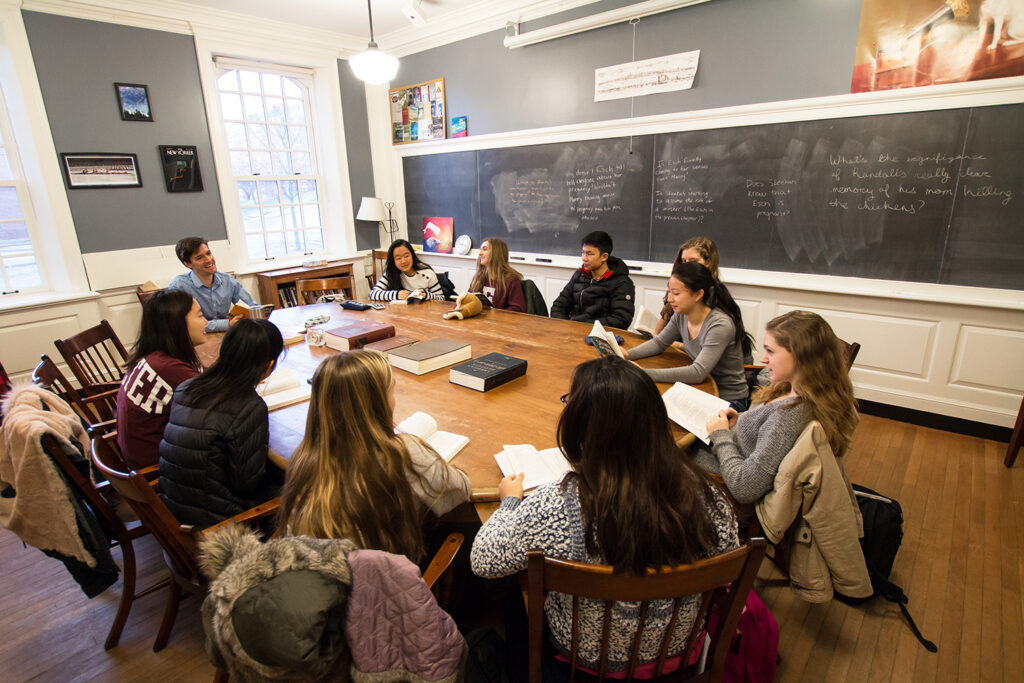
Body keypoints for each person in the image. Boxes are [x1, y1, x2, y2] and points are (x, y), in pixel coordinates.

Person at [471, 356, 739, 677]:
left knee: (517, 591)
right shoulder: (709, 496)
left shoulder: (557, 503)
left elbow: (484, 561)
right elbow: (726, 571)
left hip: (582, 661)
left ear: (582, 425)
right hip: (677, 654)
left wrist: (511, 503)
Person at [278, 350, 470, 562]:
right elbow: (460, 491)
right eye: (391, 391)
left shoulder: (304, 457)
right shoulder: (400, 453)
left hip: (312, 583)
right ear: (377, 402)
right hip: (382, 586)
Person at [693, 310, 859, 505]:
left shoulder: (788, 416)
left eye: (770, 351)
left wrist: (721, 435)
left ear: (801, 356)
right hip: (729, 451)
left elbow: (744, 487)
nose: (763, 360)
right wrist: (742, 421)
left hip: (720, 483)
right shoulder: (799, 389)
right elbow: (764, 433)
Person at [158, 318, 283, 528]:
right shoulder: (249, 406)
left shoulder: (187, 388)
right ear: (268, 365)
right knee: (300, 486)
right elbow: (247, 483)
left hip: (174, 513)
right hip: (217, 529)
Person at [626, 261, 752, 412]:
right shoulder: (681, 315)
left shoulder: (719, 325)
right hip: (700, 390)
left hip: (728, 400)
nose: (669, 299)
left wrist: (643, 374)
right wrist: (627, 355)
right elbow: (659, 343)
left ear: (698, 294)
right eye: (669, 291)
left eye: (676, 293)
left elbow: (697, 372)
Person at [116, 289, 207, 469]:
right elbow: (221, 408)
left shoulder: (154, 358)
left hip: (146, 460)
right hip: (160, 471)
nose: (205, 322)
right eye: (200, 316)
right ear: (177, 324)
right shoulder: (170, 369)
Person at [167, 236, 257, 333]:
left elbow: (252, 308)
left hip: (227, 335)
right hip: (197, 339)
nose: (209, 260)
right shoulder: (179, 286)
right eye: (199, 258)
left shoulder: (228, 280)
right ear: (188, 264)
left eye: (208, 253)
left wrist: (246, 317)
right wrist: (227, 324)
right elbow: (184, 325)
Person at [550, 231, 635, 329]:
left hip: (600, 336)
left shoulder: (621, 283)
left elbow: (621, 320)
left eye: (589, 254)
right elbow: (558, 307)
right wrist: (567, 326)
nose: (584, 258)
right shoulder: (579, 275)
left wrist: (581, 327)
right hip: (572, 331)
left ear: (604, 257)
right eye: (583, 252)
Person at [655, 236, 721, 334]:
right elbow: (664, 320)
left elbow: (698, 342)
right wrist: (653, 335)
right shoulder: (679, 284)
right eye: (684, 261)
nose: (687, 266)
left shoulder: (714, 296)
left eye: (693, 261)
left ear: (708, 262)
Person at [368, 239, 446, 302]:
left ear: (412, 255)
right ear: (393, 261)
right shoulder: (391, 273)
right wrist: (396, 295)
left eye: (406, 256)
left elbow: (442, 299)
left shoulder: (427, 273)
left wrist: (427, 295)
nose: (403, 261)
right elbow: (372, 294)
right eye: (398, 258)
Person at [469, 238, 525, 311]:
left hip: (499, 321)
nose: (480, 253)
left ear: (496, 253)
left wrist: (492, 313)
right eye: (480, 249)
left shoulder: (511, 280)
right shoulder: (479, 276)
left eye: (485, 249)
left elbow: (518, 309)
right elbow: (469, 298)